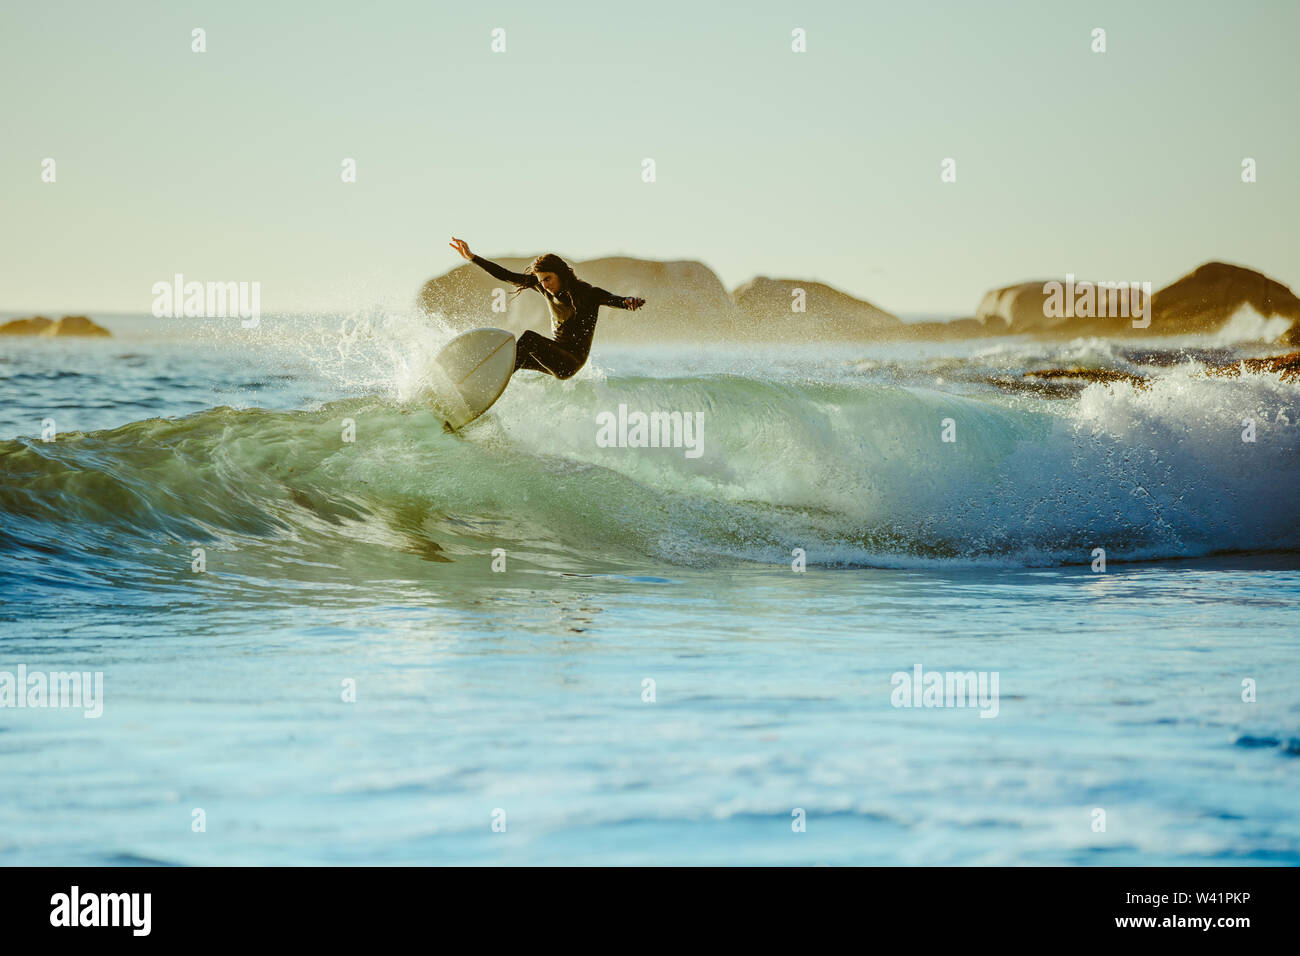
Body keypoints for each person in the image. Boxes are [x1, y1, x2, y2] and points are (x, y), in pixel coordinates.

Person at [449, 237, 646, 379]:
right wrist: (473, 257)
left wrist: (628, 301)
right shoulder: (544, 288)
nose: (544, 285)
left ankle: (490, 379)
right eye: (541, 280)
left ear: (561, 274)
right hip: (556, 354)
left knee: (528, 339)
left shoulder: (587, 293)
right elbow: (507, 275)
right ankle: (483, 385)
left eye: (548, 279)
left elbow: (613, 299)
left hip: (570, 362)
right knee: (513, 356)